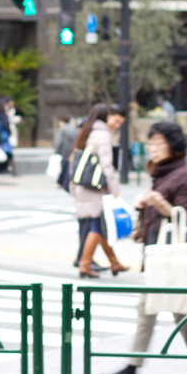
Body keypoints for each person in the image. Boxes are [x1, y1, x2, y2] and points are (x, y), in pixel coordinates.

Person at [102, 121, 187, 374]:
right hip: (160, 253)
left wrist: (161, 204)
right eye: (150, 143)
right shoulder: (162, 175)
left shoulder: (182, 176)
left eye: (158, 143)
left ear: (173, 146)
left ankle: (132, 366)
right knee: (180, 310)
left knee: (150, 308)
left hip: (171, 255)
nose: (152, 148)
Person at [73, 103, 127, 279]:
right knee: (97, 227)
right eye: (116, 121)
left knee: (101, 226)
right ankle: (84, 264)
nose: (117, 125)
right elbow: (107, 165)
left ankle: (114, 262)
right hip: (94, 188)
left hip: (84, 186)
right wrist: (114, 188)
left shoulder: (89, 131)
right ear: (108, 116)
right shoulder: (103, 135)